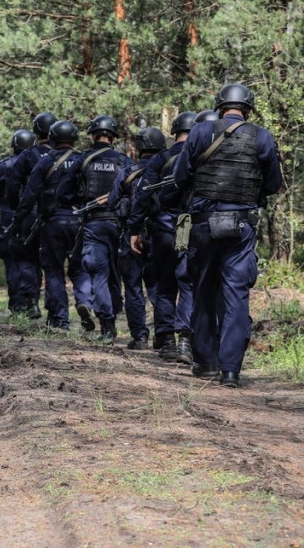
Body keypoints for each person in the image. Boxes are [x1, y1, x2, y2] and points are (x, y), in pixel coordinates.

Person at [173, 84, 282, 387]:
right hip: (241, 227)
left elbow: (180, 177)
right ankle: (231, 370)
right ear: (248, 108)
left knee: (204, 291)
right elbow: (273, 183)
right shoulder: (261, 136)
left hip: (204, 226)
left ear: (220, 105)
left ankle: (206, 363)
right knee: (237, 297)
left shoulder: (198, 132)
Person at [129, 112, 197, 361]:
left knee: (165, 286)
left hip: (163, 229)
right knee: (188, 283)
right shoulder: (201, 155)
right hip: (192, 228)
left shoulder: (160, 159)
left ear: (175, 131)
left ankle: (166, 339)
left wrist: (135, 229)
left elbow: (143, 196)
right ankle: (186, 342)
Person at [10, 120, 89, 332]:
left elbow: (29, 194)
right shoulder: (82, 159)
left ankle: (60, 320)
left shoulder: (45, 161)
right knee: (80, 269)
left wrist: (17, 220)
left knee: (54, 271)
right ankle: (85, 302)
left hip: (53, 222)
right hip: (79, 221)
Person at [60, 115, 130, 342]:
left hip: (93, 223)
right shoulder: (123, 160)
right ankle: (117, 313)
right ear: (113, 136)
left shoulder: (84, 159)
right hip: (119, 224)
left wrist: (76, 204)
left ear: (92, 135)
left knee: (98, 274)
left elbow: (64, 192)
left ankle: (107, 326)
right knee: (115, 273)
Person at [109, 126, 165, 349]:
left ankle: (140, 337)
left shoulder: (127, 172)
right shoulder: (166, 171)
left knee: (132, 287)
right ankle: (163, 337)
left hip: (131, 235)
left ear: (140, 148)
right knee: (159, 288)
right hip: (159, 234)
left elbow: (113, 202)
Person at [0, 129, 40, 316]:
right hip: (35, 214)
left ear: (14, 145)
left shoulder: (4, 166)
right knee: (34, 259)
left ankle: (18, 304)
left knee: (12, 260)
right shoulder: (42, 162)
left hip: (10, 215)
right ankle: (33, 301)